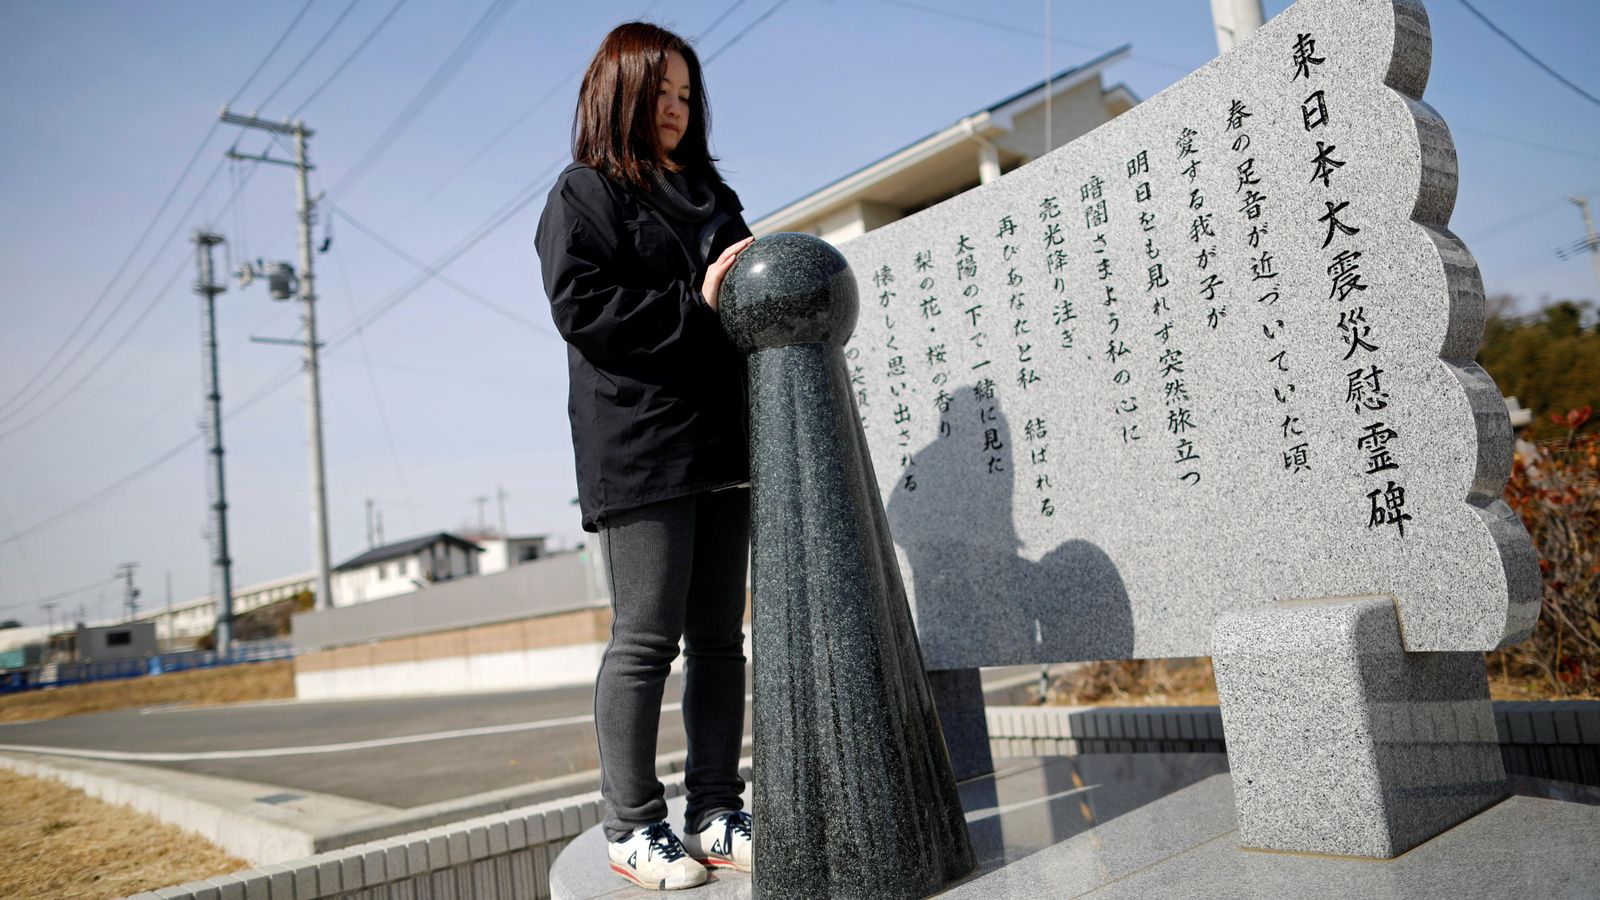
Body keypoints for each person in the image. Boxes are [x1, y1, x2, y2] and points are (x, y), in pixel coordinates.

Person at [534, 20, 757, 892]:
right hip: (640, 445)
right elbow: (583, 309)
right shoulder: (583, 194)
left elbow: (744, 287)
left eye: (687, 94)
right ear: (619, 91)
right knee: (644, 640)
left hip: (721, 441)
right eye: (661, 92)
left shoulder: (707, 190)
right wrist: (696, 304)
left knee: (719, 641)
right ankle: (631, 826)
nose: (676, 108)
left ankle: (713, 811)